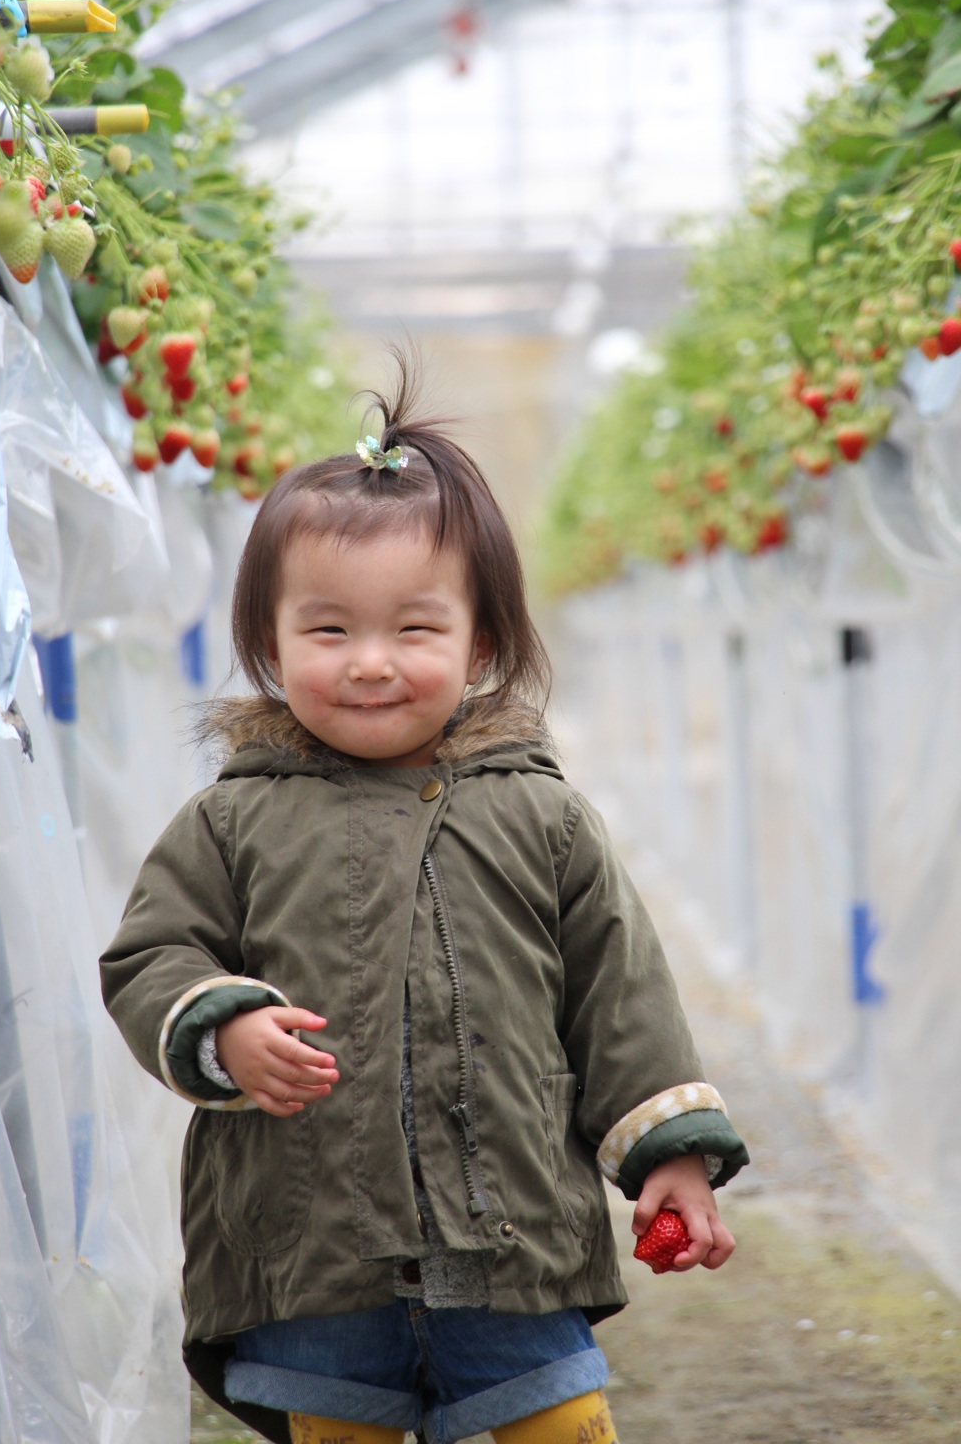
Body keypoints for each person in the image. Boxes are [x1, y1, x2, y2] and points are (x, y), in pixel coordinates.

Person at [100, 354, 749, 1444]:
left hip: (514, 1239)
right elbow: (150, 958)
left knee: (562, 1422)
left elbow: (620, 995)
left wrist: (670, 1153)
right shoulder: (230, 820)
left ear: (480, 641)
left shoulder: (542, 818)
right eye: (326, 631)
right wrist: (225, 1028)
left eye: (413, 629)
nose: (369, 664)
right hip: (308, 1245)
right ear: (268, 642)